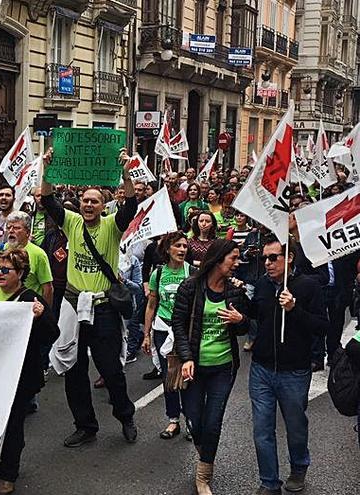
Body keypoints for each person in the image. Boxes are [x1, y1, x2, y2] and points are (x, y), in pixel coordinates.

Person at [39, 147, 139, 447]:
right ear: (79, 204)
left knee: (110, 370)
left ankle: (125, 415)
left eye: (95, 201)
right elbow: (47, 200)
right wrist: (48, 168)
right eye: (85, 200)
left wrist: (126, 173)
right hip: (72, 306)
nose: (89, 205)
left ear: (103, 205)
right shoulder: (70, 222)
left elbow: (131, 206)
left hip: (103, 308)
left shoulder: (112, 225)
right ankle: (85, 425)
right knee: (73, 368)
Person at [0, 248, 58, 494]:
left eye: (5, 270)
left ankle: (8, 475)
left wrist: (41, 318)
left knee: (14, 423)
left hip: (18, 375)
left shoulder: (30, 299)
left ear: (20, 273)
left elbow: (52, 334)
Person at [248, 235, 328, 495]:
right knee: (262, 429)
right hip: (261, 369)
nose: (267, 263)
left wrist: (294, 309)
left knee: (295, 426)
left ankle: (299, 466)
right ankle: (269, 482)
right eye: (264, 259)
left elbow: (321, 326)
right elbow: (254, 316)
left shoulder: (308, 286)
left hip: (293, 371)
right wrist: (240, 312)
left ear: (289, 257)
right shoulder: (261, 285)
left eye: (273, 257)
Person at [172, 239, 251, 495]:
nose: (237, 264)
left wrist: (241, 319)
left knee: (213, 421)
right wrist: (187, 357)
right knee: (195, 419)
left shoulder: (235, 290)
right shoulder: (190, 287)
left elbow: (243, 327)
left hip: (223, 367)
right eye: (233, 259)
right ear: (218, 260)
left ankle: (203, 475)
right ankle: (205, 449)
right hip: (193, 367)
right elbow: (179, 325)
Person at [142, 232, 193, 440]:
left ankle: (191, 420)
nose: (182, 250)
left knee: (188, 376)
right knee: (168, 376)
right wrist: (146, 334)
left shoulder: (192, 272)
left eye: (185, 246)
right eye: (177, 246)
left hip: (185, 331)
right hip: (163, 328)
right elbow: (152, 305)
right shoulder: (158, 273)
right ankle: (173, 420)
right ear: (167, 249)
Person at [0, 211, 53, 305]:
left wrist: (45, 313)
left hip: (27, 307)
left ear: (27, 232)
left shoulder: (38, 254)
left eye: (16, 228)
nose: (11, 231)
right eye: (8, 227)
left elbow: (47, 288)